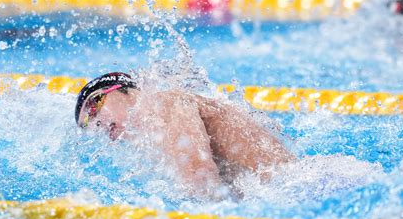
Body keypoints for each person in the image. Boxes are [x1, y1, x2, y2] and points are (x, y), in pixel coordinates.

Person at [75, 72, 295, 198]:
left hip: (299, 186)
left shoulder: (166, 103)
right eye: (87, 124)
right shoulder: (156, 130)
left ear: (121, 89)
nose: (95, 123)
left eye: (94, 106)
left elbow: (199, 173)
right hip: (287, 187)